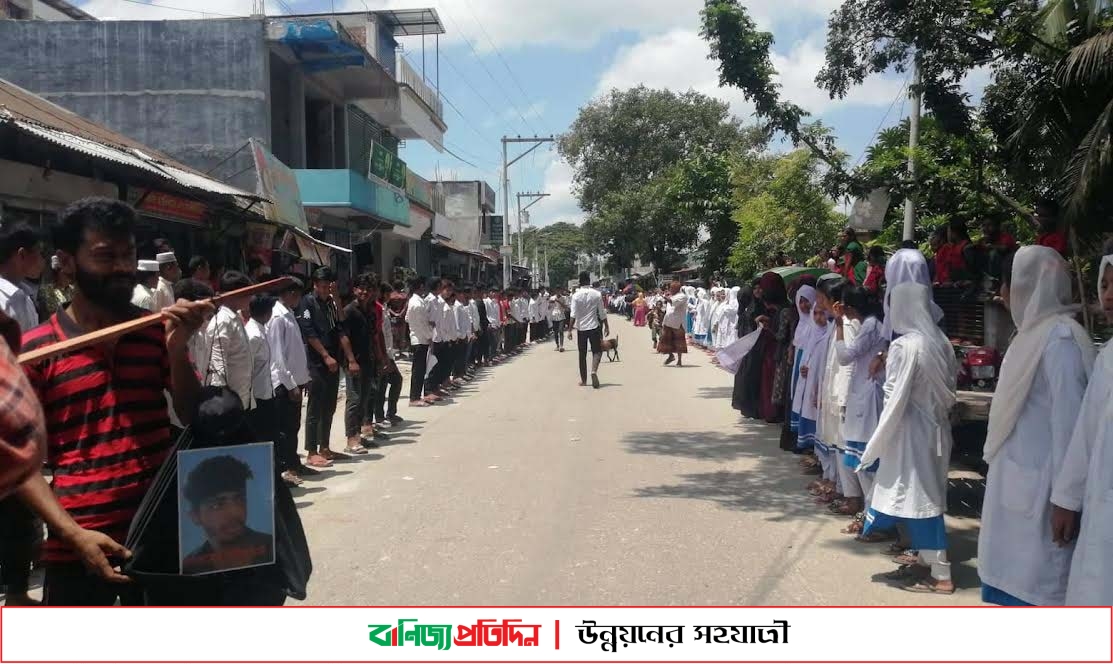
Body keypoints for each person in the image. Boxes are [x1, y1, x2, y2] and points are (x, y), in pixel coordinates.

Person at [17, 197, 210, 605]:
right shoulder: (37, 351)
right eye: (106, 256)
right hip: (79, 543)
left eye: (129, 254)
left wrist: (178, 349)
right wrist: (73, 534)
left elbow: (191, 413)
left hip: (162, 531)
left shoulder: (153, 332)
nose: (123, 267)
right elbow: (20, 464)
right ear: (66, 262)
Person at [977, 246, 1094, 606]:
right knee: (1007, 579)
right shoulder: (1029, 335)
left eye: (1007, 284)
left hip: (1045, 495)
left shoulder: (1061, 340)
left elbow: (1072, 426)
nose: (1003, 293)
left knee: (1039, 588)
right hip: (1015, 481)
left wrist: (1066, 501)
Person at [857, 282, 958, 595]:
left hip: (910, 432)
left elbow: (893, 394)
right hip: (937, 430)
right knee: (925, 495)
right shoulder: (941, 341)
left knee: (920, 500)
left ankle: (942, 574)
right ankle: (927, 561)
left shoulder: (904, 346)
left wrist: (880, 436)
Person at [1051, 252, 1113, 605]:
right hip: (1102, 511)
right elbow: (1085, 435)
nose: (1108, 295)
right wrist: (1066, 500)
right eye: (1104, 284)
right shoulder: (1108, 358)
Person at [832, 284, 886, 524]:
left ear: (850, 307)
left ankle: (872, 516)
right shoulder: (873, 324)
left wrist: (839, 327)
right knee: (862, 460)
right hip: (862, 392)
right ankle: (869, 514)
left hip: (867, 394)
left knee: (867, 462)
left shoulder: (870, 326)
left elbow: (845, 357)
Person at [181, 455, 274, 576]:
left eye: (239, 499)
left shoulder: (273, 548)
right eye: (216, 505)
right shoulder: (191, 566)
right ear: (195, 516)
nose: (234, 512)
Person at [299, 266, 348, 468]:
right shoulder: (307, 303)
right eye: (321, 286)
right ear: (314, 285)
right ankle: (311, 450)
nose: (324, 289)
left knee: (330, 405)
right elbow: (310, 334)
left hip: (333, 358)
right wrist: (325, 355)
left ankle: (324, 446)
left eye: (328, 286)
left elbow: (341, 323)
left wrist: (336, 298)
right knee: (315, 406)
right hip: (316, 360)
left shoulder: (330, 302)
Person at [266, 277, 312, 486]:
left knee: (293, 426)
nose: (299, 299)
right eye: (297, 294)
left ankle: (294, 462)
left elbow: (295, 351)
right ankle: (286, 468)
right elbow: (277, 357)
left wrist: (303, 378)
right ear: (289, 294)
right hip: (283, 384)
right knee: (284, 429)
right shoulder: (277, 317)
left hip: (295, 381)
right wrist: (291, 384)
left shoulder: (289, 314)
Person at [197, 271, 255, 413]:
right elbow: (217, 366)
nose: (250, 297)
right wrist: (223, 405)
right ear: (235, 294)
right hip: (229, 404)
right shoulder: (223, 321)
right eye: (247, 292)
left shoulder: (235, 318)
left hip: (241, 398)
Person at [340, 274, 378, 456]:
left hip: (368, 360)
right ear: (354, 290)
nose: (365, 292)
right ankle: (351, 438)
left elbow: (372, 336)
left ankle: (359, 434)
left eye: (368, 289)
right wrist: (351, 360)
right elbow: (344, 337)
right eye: (361, 288)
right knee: (354, 399)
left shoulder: (369, 311)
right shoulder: (349, 311)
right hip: (354, 362)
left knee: (363, 399)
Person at [244, 294, 277, 456]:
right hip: (256, 397)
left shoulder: (261, 330)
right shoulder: (253, 335)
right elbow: (246, 368)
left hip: (265, 393)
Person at [0, 222, 43, 333]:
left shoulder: (26, 296)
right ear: (22, 255)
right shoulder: (3, 302)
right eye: (39, 252)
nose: (42, 260)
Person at [372, 281, 403, 429]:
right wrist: (383, 356)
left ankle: (389, 413)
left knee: (392, 382)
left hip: (388, 352)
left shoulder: (384, 308)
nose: (390, 297)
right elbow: (379, 334)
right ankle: (380, 416)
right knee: (383, 385)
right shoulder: (377, 308)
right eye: (388, 294)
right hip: (382, 353)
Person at [569, 271, 608, 388]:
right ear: (589, 281)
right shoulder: (596, 294)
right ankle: (594, 371)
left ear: (580, 281)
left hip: (581, 328)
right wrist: (607, 325)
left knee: (582, 354)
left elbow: (573, 314)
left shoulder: (575, 295)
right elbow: (602, 312)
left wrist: (570, 330)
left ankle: (584, 380)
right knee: (597, 351)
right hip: (594, 326)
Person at [404, 277, 434, 407]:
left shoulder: (416, 301)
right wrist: (430, 336)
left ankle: (417, 395)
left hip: (419, 337)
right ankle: (414, 397)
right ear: (421, 286)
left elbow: (407, 318)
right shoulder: (416, 303)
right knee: (418, 370)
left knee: (421, 369)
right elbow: (422, 324)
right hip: (419, 339)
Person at [658, 280, 689, 367]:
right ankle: (671, 356)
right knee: (665, 341)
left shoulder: (682, 296)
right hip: (668, 321)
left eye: (671, 288)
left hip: (678, 323)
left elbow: (672, 302)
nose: (670, 289)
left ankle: (679, 361)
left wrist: (663, 295)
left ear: (676, 288)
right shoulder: (671, 296)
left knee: (679, 342)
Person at [37, 254, 75, 319]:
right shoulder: (47, 291)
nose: (69, 276)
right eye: (66, 273)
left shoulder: (73, 289)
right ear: (58, 272)